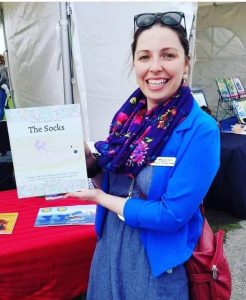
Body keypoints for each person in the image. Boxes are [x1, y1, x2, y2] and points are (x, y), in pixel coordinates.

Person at [65, 11, 220, 300]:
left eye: (168, 55)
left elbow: (172, 215)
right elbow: (117, 183)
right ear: (134, 63)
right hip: (109, 250)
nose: (155, 67)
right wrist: (90, 164)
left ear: (186, 63)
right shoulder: (127, 119)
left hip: (155, 266)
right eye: (145, 56)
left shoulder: (200, 130)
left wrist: (101, 199)